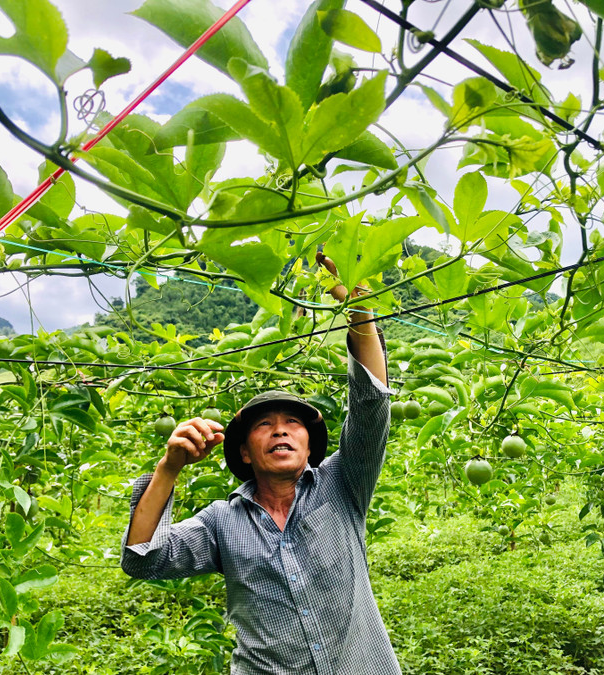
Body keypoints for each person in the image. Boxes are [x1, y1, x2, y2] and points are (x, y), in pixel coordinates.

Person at [120, 254, 401, 675]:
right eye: (265, 425)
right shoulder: (221, 521)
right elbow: (143, 558)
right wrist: (169, 466)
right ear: (245, 452)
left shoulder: (343, 484)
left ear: (310, 447)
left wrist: (357, 302)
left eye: (293, 423)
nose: (281, 431)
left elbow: (371, 404)